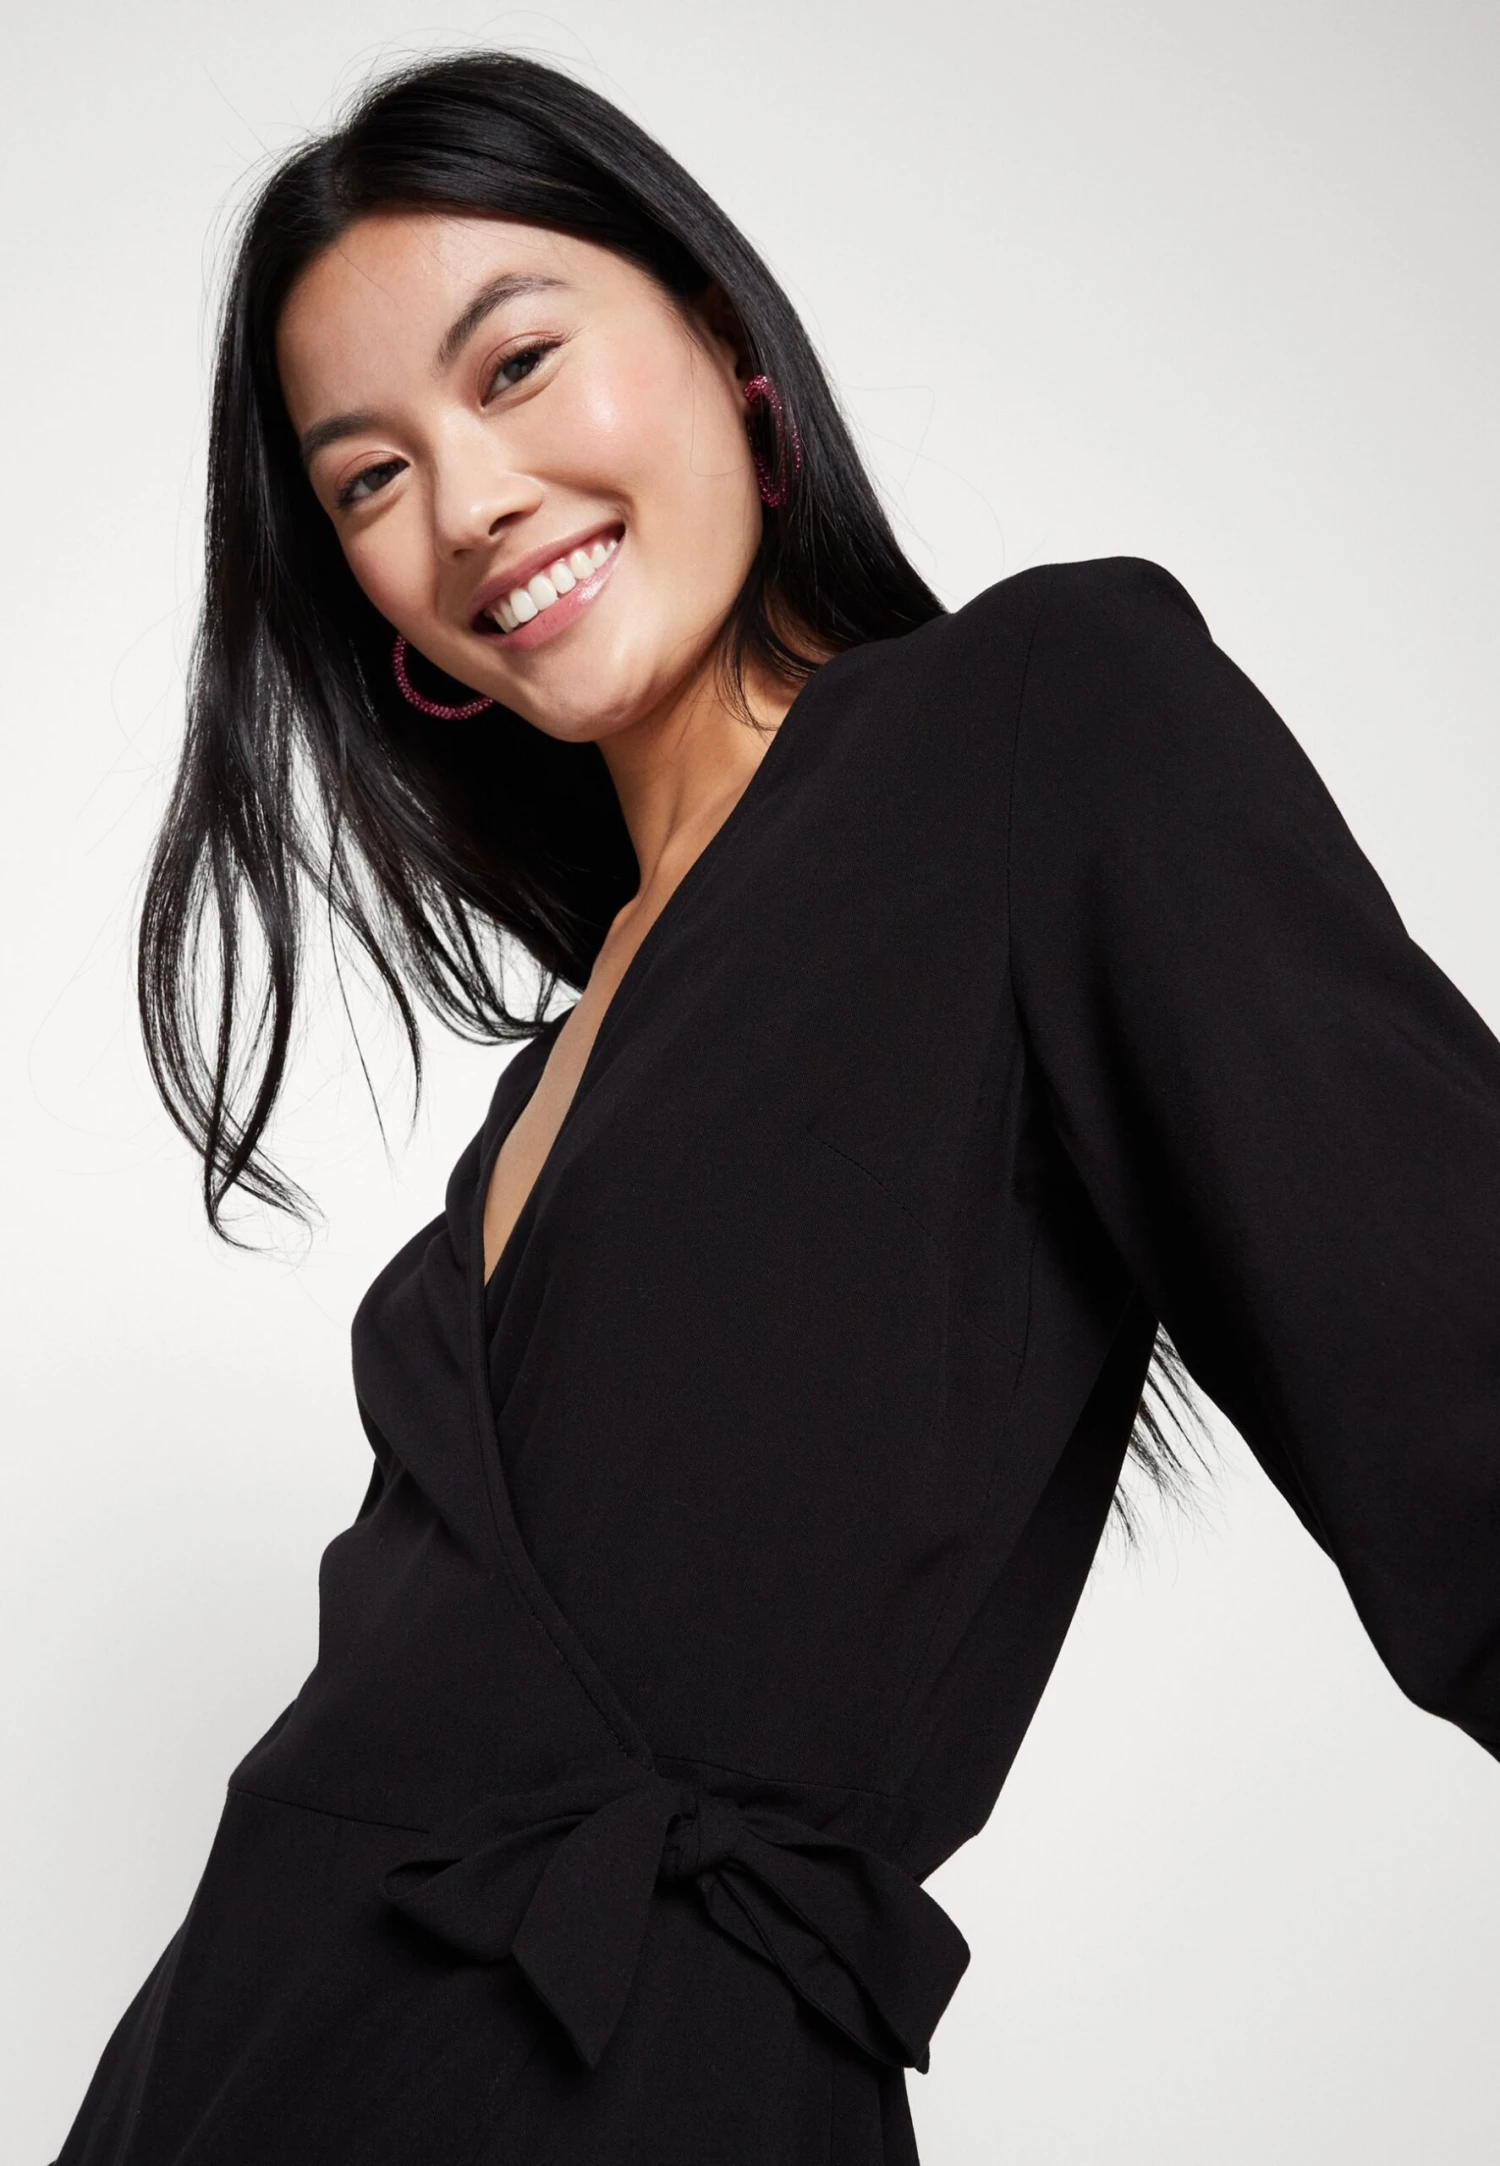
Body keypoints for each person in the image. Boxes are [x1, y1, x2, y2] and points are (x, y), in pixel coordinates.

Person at [55, 46, 1500, 2166]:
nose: (470, 503)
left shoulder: (1043, 724)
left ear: (727, 344)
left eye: (518, 366)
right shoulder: (550, 1076)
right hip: (214, 2079)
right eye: (369, 480)